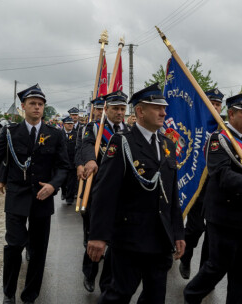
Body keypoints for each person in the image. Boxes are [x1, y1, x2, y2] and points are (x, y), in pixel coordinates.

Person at [86, 83, 185, 303]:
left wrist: (178, 232)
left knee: (155, 297)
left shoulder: (167, 144)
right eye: (156, 108)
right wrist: (98, 235)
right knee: (118, 295)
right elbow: (105, 193)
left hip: (160, 239)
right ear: (140, 111)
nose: (163, 112)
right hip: (130, 238)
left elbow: (172, 195)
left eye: (164, 108)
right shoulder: (122, 142)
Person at [0, 84, 69, 304]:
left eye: (41, 104)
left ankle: (30, 295)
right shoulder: (10, 132)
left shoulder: (54, 134)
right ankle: (8, 293)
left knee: (38, 250)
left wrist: (53, 185)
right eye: (32, 104)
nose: (37, 107)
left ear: (44, 108)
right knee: (14, 245)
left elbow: (64, 166)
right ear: (23, 106)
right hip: (17, 196)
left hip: (42, 198)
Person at [184, 91, 242, 304]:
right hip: (224, 219)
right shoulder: (218, 140)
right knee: (216, 268)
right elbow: (220, 173)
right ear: (231, 114)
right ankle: (191, 295)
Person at [79, 91, 129, 293]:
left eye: (122, 109)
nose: (119, 112)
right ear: (106, 109)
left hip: (122, 192)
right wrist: (90, 159)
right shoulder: (94, 127)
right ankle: (90, 274)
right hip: (99, 190)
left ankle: (108, 282)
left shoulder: (129, 130)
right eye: (115, 108)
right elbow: (87, 145)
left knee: (116, 239)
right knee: (96, 233)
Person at [179, 88, 224, 280]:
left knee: (213, 236)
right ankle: (186, 257)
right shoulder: (195, 124)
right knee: (196, 228)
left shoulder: (224, 130)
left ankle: (204, 273)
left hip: (217, 188)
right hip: (197, 186)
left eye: (217, 104)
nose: (214, 107)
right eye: (211, 103)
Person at [60, 116, 78, 205]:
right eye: (68, 124)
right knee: (63, 179)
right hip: (62, 161)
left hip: (72, 161)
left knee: (72, 180)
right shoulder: (59, 134)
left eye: (72, 123)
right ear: (64, 124)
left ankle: (69, 198)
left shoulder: (77, 134)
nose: (70, 125)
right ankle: (64, 192)